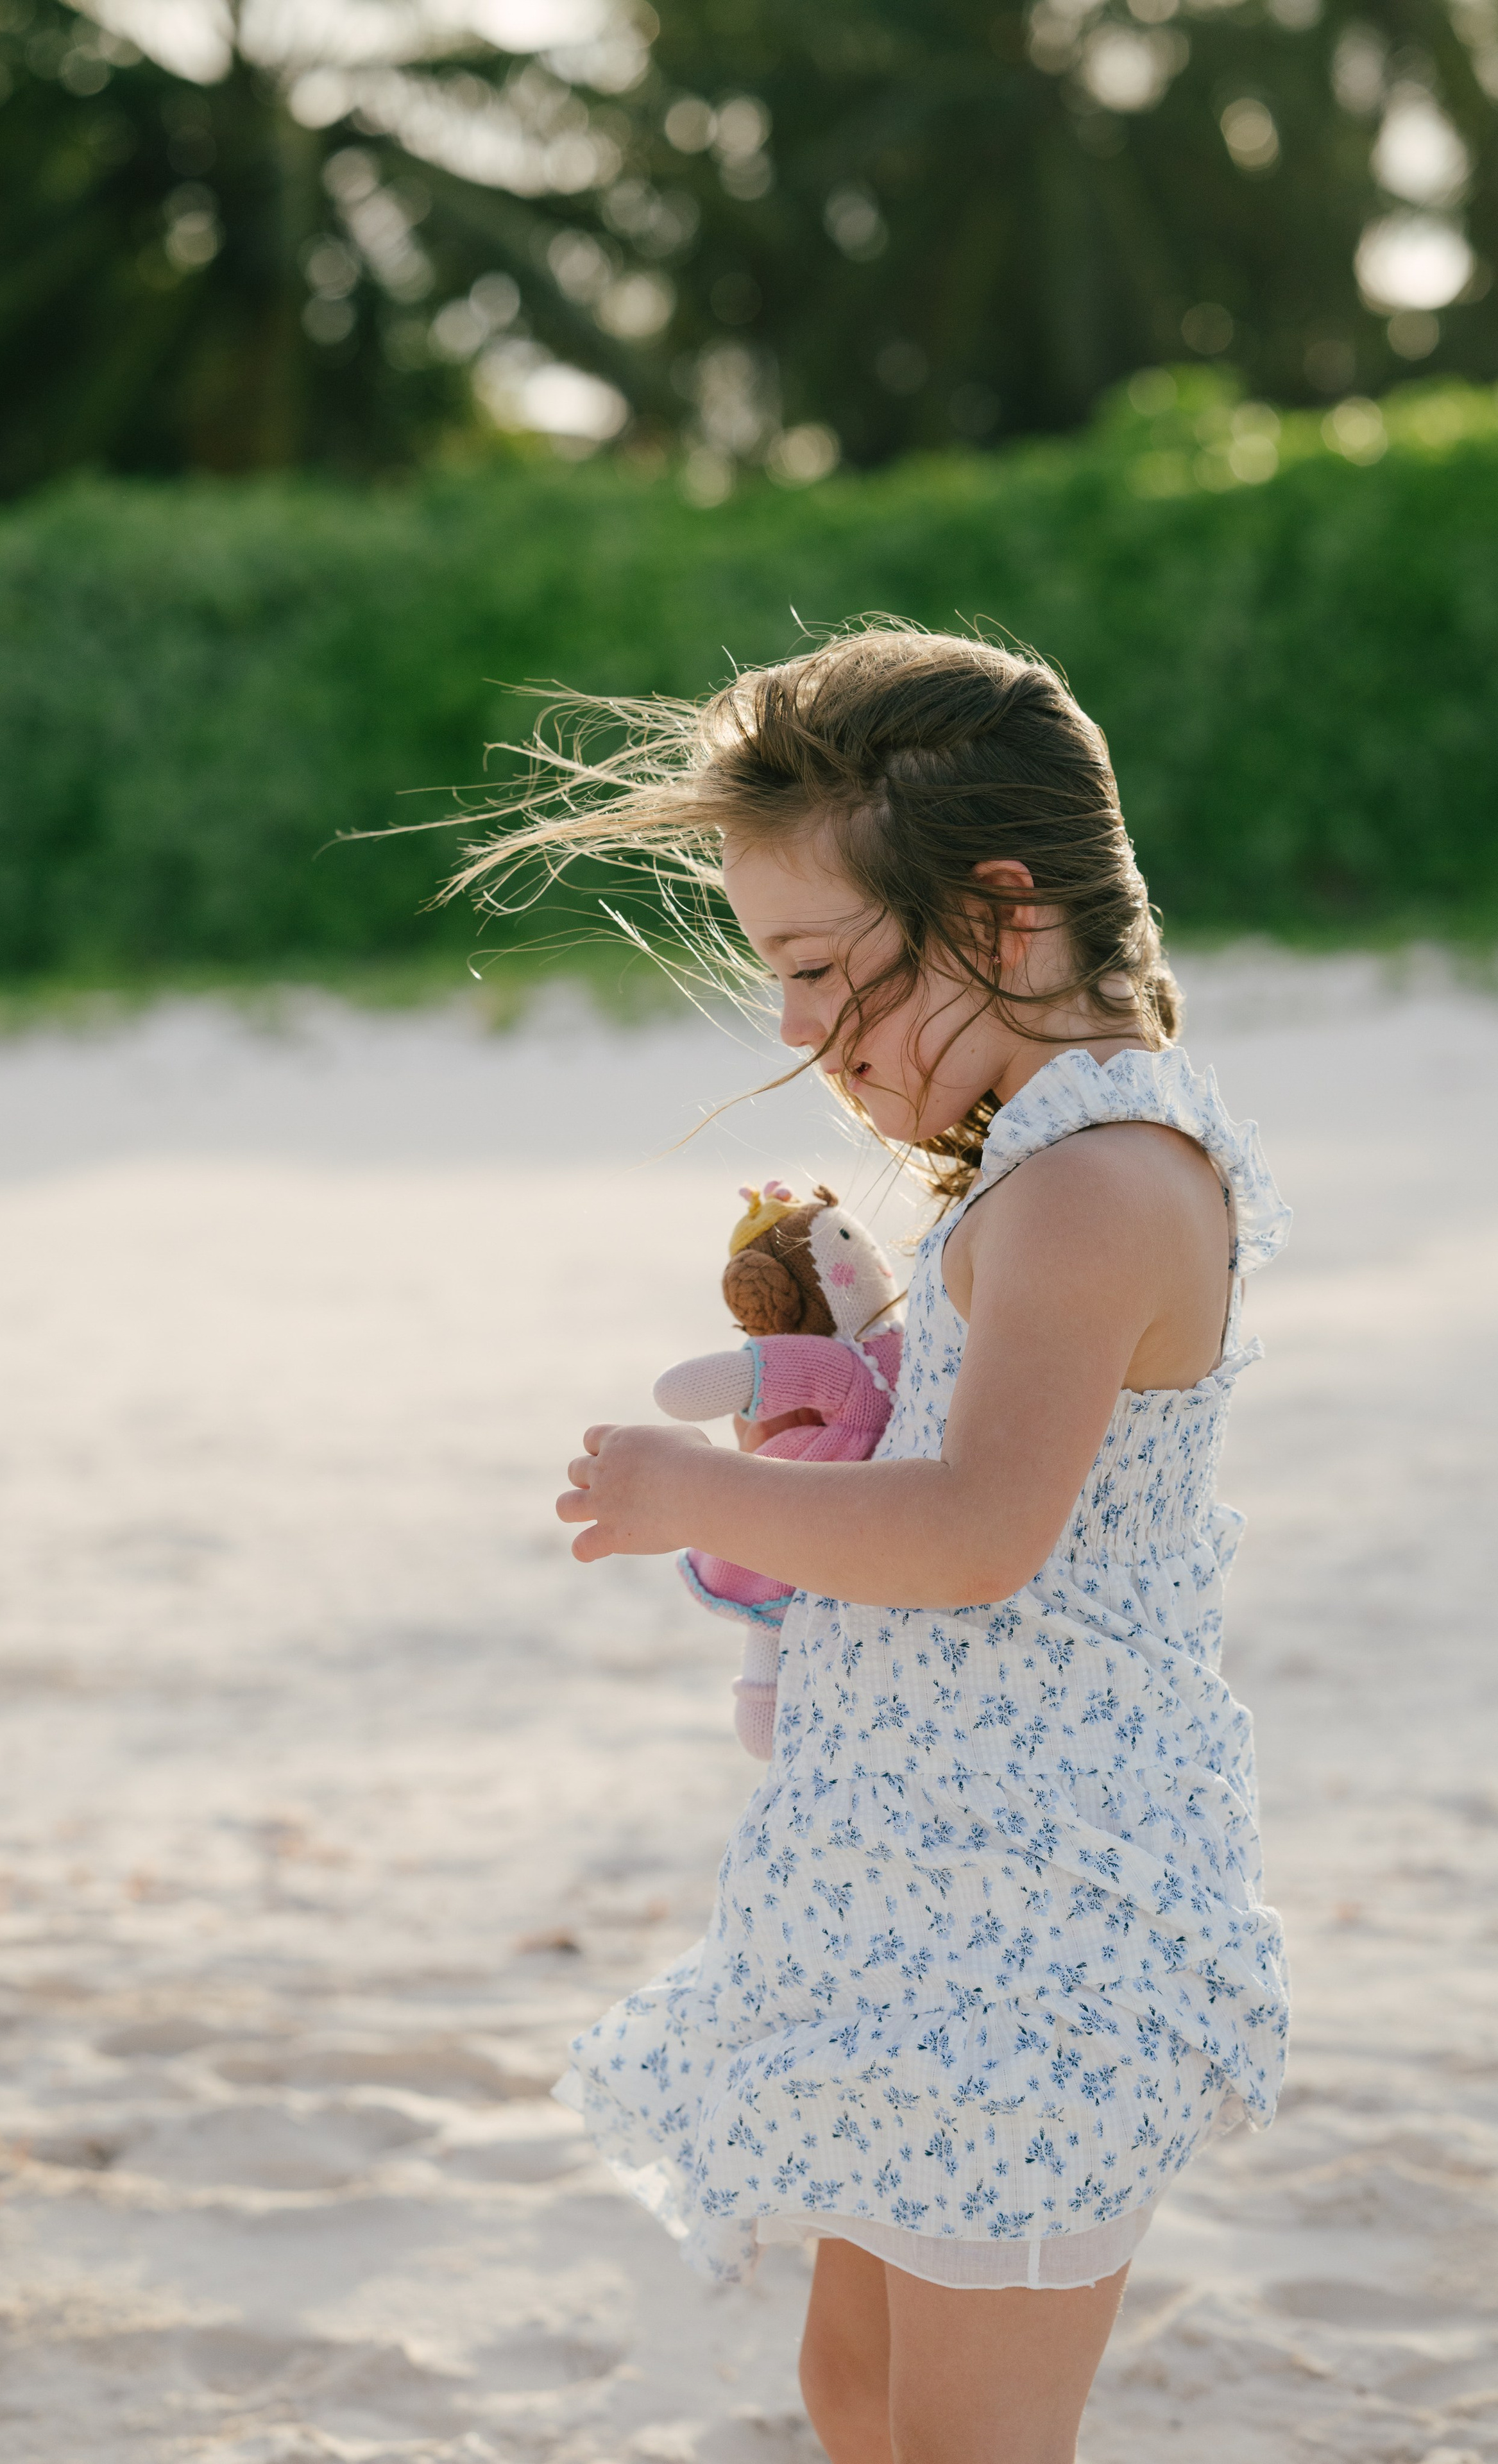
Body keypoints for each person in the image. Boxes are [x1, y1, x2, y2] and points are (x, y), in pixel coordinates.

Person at [454, 627, 1290, 2464]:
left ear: (1002, 913)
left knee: (977, 2438)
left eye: (825, 969)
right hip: (918, 1888)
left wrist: (702, 1495)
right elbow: (970, 1454)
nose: (792, 1027)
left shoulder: (1100, 1182)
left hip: (1046, 1921)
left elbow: (984, 1531)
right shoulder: (1022, 1159)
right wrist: (848, 1416)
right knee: (857, 2388)